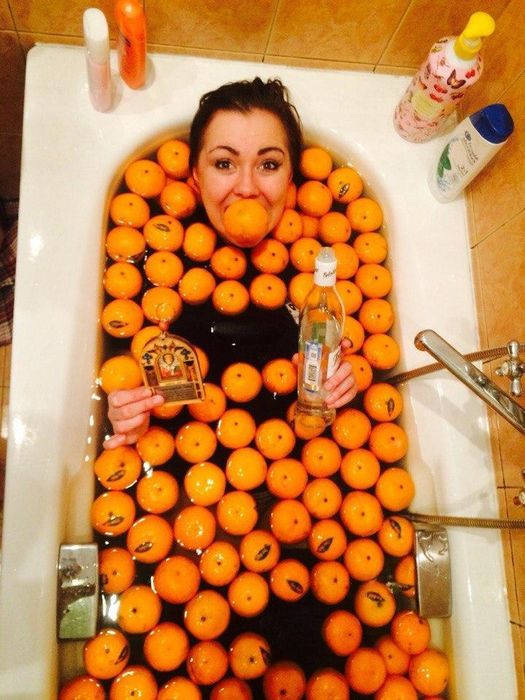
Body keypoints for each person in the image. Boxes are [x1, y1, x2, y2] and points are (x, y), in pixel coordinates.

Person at [104, 78, 357, 449]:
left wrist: (333, 394)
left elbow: (314, 416)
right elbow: (135, 385)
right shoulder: (148, 269)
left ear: (290, 178)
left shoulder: (324, 267)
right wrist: (131, 417)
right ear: (195, 175)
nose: (247, 188)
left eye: (269, 164)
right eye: (224, 163)